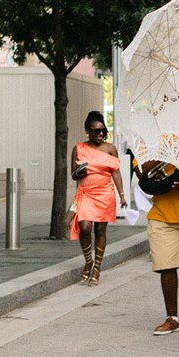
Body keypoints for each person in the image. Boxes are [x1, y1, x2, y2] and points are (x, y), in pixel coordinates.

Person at [139, 157, 179, 336]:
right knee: (165, 267)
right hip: (161, 216)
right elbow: (140, 172)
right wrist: (164, 155)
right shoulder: (150, 144)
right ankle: (172, 318)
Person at [68, 112, 122, 285]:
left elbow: (116, 172)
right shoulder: (79, 148)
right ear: (87, 132)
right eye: (95, 131)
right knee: (85, 227)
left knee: (100, 230)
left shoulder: (110, 148)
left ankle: (97, 268)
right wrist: (79, 172)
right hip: (86, 193)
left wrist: (122, 195)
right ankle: (88, 261)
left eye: (102, 131)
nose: (100, 134)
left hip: (105, 193)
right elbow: (73, 175)